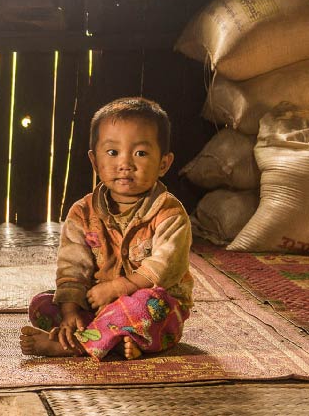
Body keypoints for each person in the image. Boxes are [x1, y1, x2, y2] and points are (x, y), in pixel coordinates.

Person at [20, 97, 193, 360]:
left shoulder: (169, 213)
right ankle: (114, 341)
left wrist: (118, 288)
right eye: (112, 152)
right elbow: (72, 267)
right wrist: (69, 313)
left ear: (164, 164)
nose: (125, 164)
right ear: (94, 160)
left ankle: (77, 345)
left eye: (141, 153)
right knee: (42, 305)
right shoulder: (82, 212)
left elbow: (163, 268)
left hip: (154, 309)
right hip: (97, 305)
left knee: (148, 305)